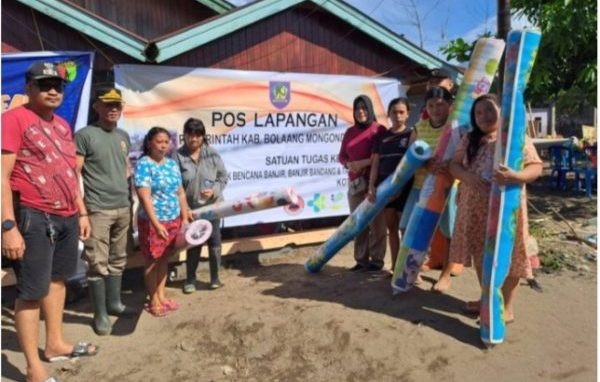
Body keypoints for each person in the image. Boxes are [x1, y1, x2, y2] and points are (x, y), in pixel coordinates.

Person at [1, 62, 97, 382]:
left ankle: (54, 343)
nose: (53, 90)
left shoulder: (62, 126)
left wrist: (81, 211)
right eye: (44, 85)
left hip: (67, 215)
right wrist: (8, 227)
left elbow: (70, 173)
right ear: (28, 88)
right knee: (30, 291)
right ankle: (33, 369)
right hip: (32, 216)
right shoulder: (12, 120)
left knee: (58, 281)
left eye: (57, 85)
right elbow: (1, 176)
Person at [445, 94, 542, 321]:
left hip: (506, 209)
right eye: (478, 113)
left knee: (510, 255)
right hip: (474, 209)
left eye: (489, 110)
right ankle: (487, 299)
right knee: (482, 254)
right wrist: (467, 177)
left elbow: (536, 166)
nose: (484, 117)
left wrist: (516, 176)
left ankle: (506, 307)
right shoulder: (470, 139)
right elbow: (454, 165)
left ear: (501, 111)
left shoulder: (513, 137)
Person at [75, 86, 135, 335]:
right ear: (96, 106)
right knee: (97, 263)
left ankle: (114, 303)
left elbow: (126, 167)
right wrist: (82, 212)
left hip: (123, 207)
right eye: (107, 104)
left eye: (117, 105)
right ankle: (99, 314)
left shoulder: (123, 135)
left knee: (118, 259)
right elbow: (73, 174)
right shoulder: (85, 135)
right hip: (97, 209)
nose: (113, 109)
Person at [134, 127, 189, 317]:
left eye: (166, 141)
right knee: (152, 261)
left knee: (165, 258)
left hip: (173, 220)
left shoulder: (172, 164)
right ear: (150, 143)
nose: (163, 145)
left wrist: (184, 215)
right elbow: (145, 198)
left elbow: (180, 193)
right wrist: (156, 224)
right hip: (152, 222)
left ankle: (162, 296)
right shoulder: (144, 164)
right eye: (159, 141)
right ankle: (153, 300)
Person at [174, 118, 228, 293]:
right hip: (190, 210)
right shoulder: (177, 156)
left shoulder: (212, 154)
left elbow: (223, 177)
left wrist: (214, 190)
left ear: (203, 137)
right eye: (190, 135)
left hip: (212, 207)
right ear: (185, 136)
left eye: (197, 135)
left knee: (214, 241)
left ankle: (215, 278)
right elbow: (174, 184)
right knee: (194, 242)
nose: (193, 139)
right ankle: (190, 280)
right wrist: (184, 210)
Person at [367, 98, 417, 271]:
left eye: (401, 112)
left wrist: (400, 188)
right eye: (394, 112)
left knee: (405, 229)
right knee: (392, 227)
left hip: (405, 189)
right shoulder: (382, 137)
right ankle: (395, 267)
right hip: (385, 189)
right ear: (388, 114)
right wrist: (371, 185)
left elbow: (410, 166)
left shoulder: (411, 134)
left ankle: (406, 269)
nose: (397, 115)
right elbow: (375, 163)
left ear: (408, 114)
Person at [339, 95, 387, 272]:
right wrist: (348, 164)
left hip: (373, 184)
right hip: (354, 184)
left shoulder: (379, 130)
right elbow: (342, 155)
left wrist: (363, 163)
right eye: (357, 109)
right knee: (357, 223)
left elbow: (382, 156)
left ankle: (377, 260)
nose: (360, 112)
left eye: (364, 108)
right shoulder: (350, 132)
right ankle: (361, 260)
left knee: (376, 223)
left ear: (370, 110)